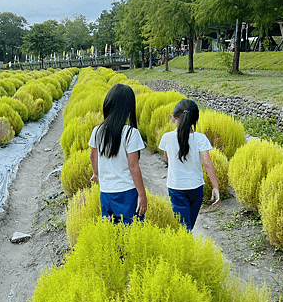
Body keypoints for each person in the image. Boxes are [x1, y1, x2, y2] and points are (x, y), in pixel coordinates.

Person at [89, 83, 147, 224]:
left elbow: (92, 156)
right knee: (131, 234)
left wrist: (96, 174)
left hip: (106, 192)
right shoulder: (131, 133)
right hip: (127, 192)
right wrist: (142, 194)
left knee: (112, 234)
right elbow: (133, 166)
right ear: (128, 107)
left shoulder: (98, 130)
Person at [158, 99, 220, 231]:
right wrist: (215, 187)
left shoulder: (167, 138)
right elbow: (207, 163)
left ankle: (183, 248)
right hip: (196, 188)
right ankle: (186, 247)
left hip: (176, 188)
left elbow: (167, 158)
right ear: (195, 119)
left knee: (183, 227)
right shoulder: (200, 139)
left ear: (175, 118)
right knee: (188, 226)